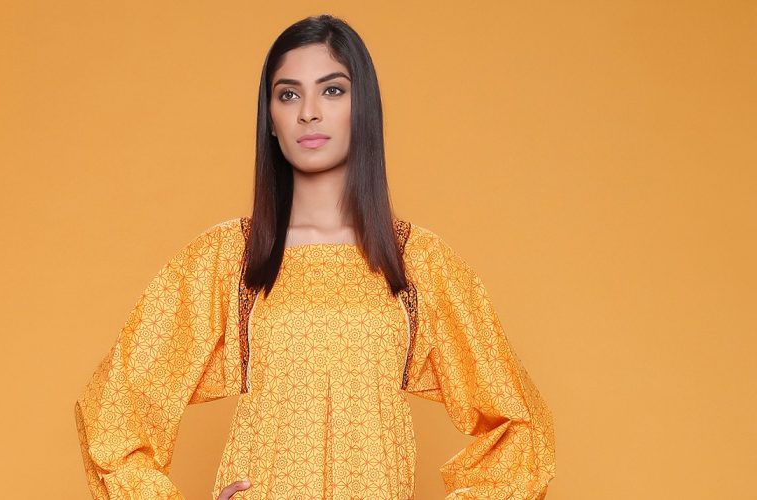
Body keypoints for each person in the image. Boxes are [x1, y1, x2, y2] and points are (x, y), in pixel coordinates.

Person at [74, 13, 556, 500]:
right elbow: (113, 412)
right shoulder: (230, 260)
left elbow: (521, 425)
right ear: (271, 119)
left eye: (332, 90)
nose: (308, 112)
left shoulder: (418, 264)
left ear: (362, 107)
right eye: (288, 95)